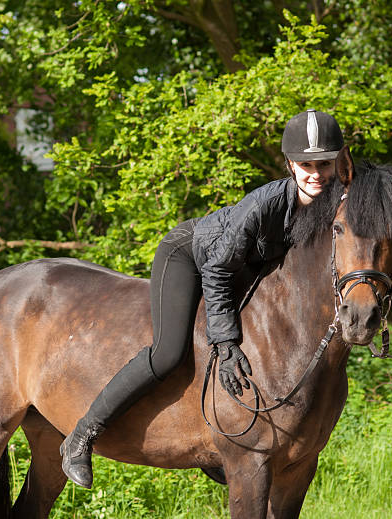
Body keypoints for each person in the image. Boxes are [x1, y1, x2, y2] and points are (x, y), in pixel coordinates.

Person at [59, 109, 345, 488]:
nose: (315, 173)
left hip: (241, 264)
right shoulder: (266, 205)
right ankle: (82, 436)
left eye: (323, 163)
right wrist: (226, 345)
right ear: (290, 165)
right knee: (169, 352)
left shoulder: (335, 201)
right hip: (193, 256)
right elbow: (219, 270)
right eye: (305, 164)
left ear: (337, 162)